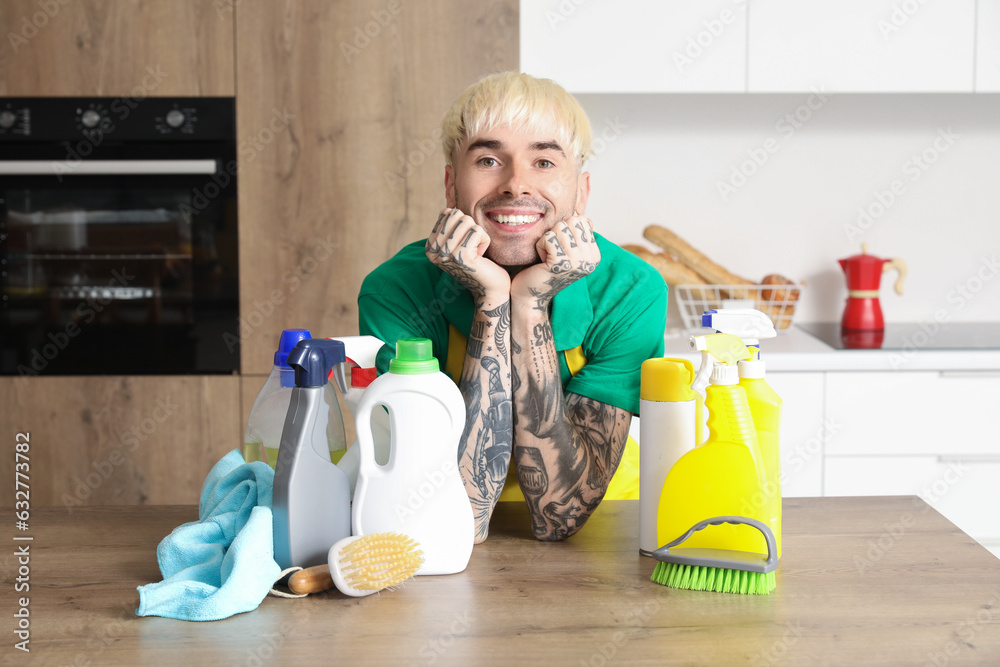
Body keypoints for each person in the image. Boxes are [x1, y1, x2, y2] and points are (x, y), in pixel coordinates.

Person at [358, 71, 666, 542]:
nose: (515, 184)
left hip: (607, 533)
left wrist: (530, 303)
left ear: (581, 192)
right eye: (487, 159)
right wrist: (492, 301)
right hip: (439, 542)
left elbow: (558, 516)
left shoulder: (630, 291)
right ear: (450, 184)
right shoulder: (396, 291)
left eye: (543, 161)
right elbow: (459, 518)